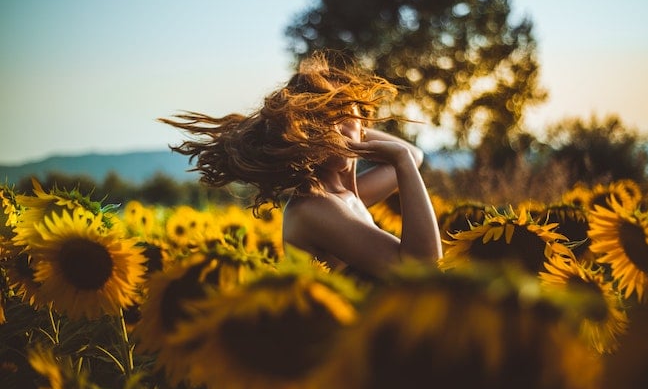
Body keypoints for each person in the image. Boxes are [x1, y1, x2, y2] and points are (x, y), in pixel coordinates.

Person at [159, 51, 442, 277]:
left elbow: (414, 155)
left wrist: (362, 131)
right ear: (302, 134)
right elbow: (421, 269)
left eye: (343, 111)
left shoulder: (348, 196)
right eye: (321, 118)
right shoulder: (314, 207)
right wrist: (397, 158)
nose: (335, 127)